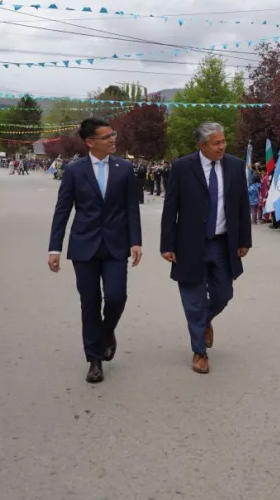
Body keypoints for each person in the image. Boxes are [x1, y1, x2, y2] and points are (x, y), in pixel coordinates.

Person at [48, 118, 143, 384]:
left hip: (115, 245)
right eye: (106, 137)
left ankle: (107, 331)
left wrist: (136, 241)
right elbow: (62, 210)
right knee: (89, 302)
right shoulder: (75, 170)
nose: (113, 139)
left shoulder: (124, 168)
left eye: (113, 135)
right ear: (90, 142)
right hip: (84, 246)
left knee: (115, 297)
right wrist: (54, 247)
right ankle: (94, 359)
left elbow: (131, 209)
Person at [159, 122, 252, 374]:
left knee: (224, 294)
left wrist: (244, 240)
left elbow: (242, 204)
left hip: (222, 244)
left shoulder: (234, 165)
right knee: (193, 301)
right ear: (201, 145)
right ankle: (199, 351)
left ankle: (205, 320)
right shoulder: (181, 167)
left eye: (223, 141)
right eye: (216, 143)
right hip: (189, 244)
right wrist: (166, 244)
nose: (222, 146)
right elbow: (171, 207)